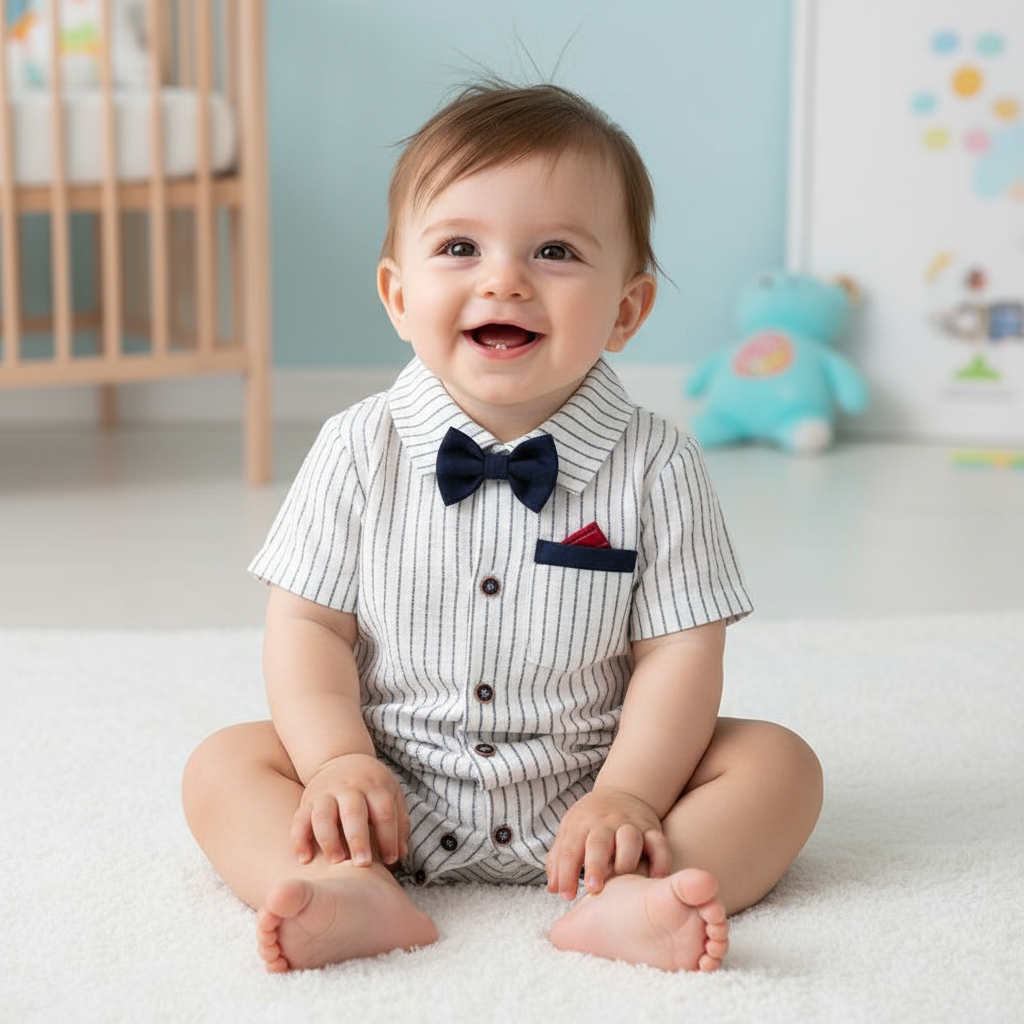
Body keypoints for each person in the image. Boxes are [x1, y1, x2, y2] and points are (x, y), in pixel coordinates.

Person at [182, 80, 823, 975]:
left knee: (779, 766)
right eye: (459, 246)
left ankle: (630, 893)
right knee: (223, 765)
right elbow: (308, 625)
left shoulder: (659, 463)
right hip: (388, 785)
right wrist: (334, 763)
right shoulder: (356, 447)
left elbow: (681, 653)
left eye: (554, 250)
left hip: (598, 786)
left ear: (627, 311)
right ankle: (348, 884)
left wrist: (634, 793)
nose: (503, 278)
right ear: (398, 297)